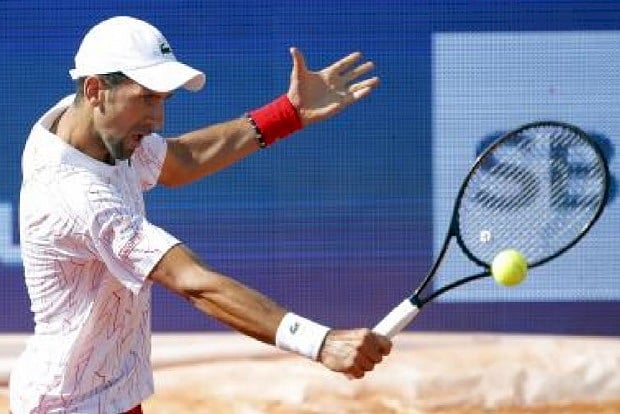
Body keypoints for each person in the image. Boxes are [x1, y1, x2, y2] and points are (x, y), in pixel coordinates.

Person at [9, 15, 392, 413]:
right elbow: (195, 282)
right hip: (71, 405)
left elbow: (179, 160)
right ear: (95, 90)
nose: (157, 120)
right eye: (146, 97)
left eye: (162, 99)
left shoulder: (81, 123)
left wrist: (288, 113)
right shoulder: (78, 195)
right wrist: (319, 342)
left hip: (109, 396)